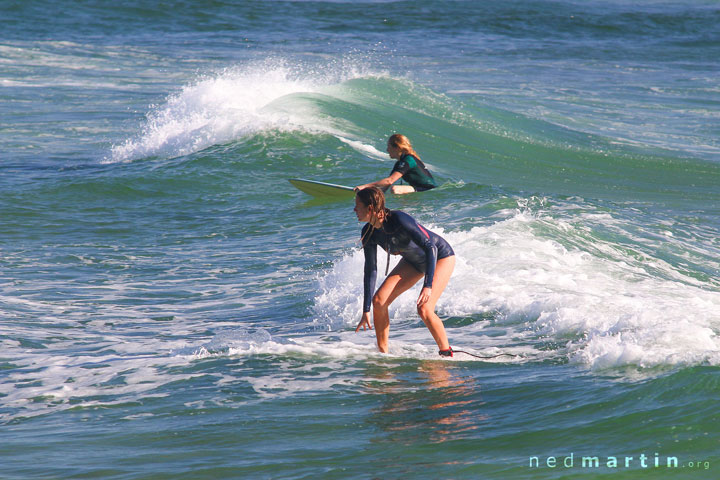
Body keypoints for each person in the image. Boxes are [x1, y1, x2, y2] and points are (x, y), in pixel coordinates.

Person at [353, 186, 456, 356]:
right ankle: (383, 354)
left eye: (358, 205)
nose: (355, 209)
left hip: (440, 257)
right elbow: (370, 270)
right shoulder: (368, 233)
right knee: (378, 301)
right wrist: (366, 310)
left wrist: (427, 285)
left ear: (370, 208)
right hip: (413, 262)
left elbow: (430, 247)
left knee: (424, 308)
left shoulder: (399, 219)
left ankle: (446, 353)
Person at [355, 134, 438, 195]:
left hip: (429, 189)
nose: (387, 150)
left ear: (397, 148)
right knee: (395, 188)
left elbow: (389, 181)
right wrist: (368, 194)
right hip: (420, 189)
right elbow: (385, 186)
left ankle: (405, 211)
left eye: (389, 146)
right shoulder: (400, 163)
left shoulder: (408, 160)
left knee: (396, 189)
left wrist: (365, 186)